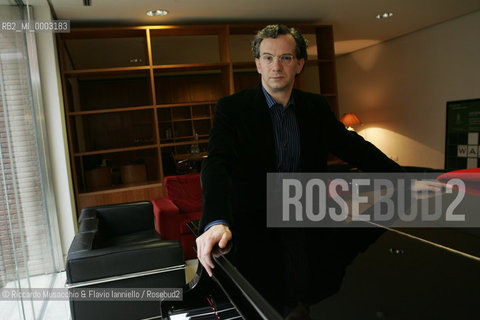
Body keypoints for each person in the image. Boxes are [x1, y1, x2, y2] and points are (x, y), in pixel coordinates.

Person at [196, 24, 402, 316]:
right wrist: (215, 220)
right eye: (267, 58)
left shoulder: (315, 106)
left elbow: (352, 146)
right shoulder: (231, 109)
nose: (275, 66)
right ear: (257, 64)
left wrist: (401, 177)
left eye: (286, 58)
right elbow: (215, 163)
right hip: (255, 229)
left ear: (300, 64)